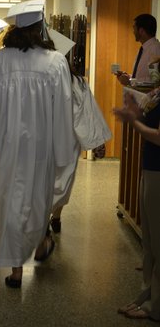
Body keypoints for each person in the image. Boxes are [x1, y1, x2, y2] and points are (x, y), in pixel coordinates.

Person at [0, 0, 77, 288]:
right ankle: (40, 242)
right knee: (38, 200)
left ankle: (17, 268)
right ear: (41, 28)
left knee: (10, 201)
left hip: (8, 146)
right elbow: (62, 109)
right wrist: (62, 148)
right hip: (41, 147)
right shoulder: (55, 62)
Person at [114, 88, 160, 321]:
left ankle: (156, 306)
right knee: (150, 242)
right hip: (150, 168)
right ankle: (146, 295)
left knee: (158, 243)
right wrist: (136, 114)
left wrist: (134, 122)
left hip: (158, 172)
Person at [51, 69, 112, 233]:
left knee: (46, 180)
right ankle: (56, 218)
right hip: (69, 139)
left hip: (47, 138)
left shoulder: (42, 81)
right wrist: (97, 140)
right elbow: (87, 113)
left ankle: (46, 218)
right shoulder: (78, 83)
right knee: (64, 180)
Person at [116, 14, 160, 86]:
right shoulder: (144, 49)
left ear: (141, 31)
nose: (133, 32)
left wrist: (129, 82)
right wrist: (129, 78)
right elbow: (145, 78)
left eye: (134, 28)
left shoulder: (155, 50)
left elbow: (155, 83)